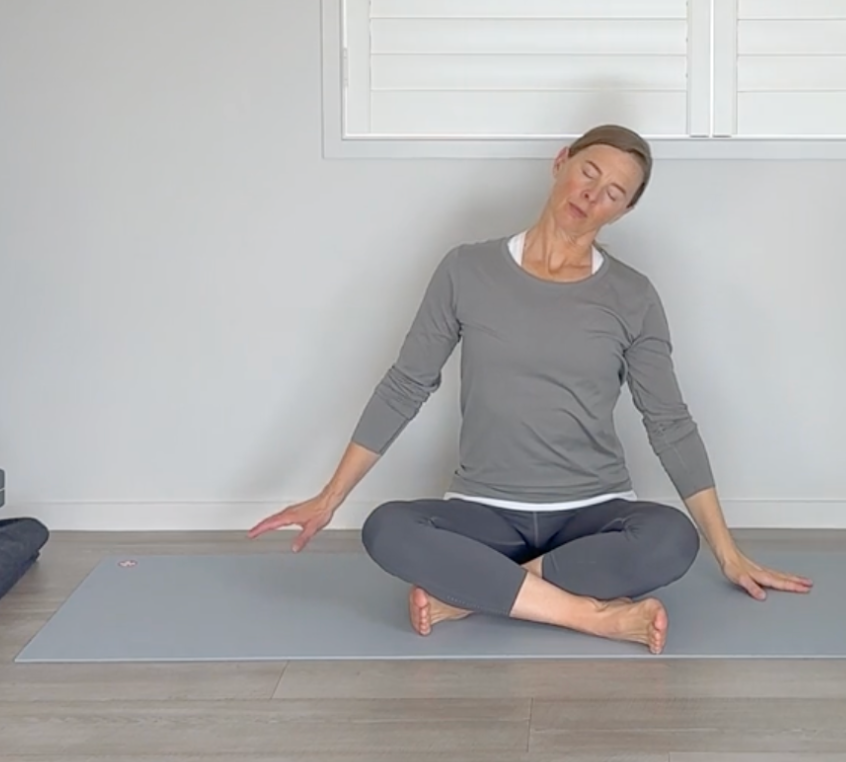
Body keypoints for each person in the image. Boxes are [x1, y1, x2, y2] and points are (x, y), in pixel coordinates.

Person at [249, 124, 810, 653]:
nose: (593, 196)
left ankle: (470, 596)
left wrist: (727, 551)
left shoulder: (633, 295)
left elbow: (668, 422)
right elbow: (406, 384)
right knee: (385, 528)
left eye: (614, 192)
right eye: (589, 172)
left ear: (625, 210)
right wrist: (329, 499)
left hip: (591, 514)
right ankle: (592, 616)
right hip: (484, 514)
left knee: (673, 541)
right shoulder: (466, 269)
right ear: (561, 161)